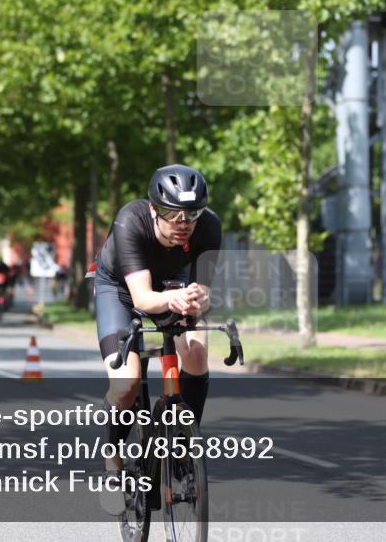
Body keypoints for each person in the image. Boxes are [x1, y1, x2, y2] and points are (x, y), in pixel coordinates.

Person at [92, 164, 221, 515]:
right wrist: (173, 301)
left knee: (196, 350)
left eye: (191, 214)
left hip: (173, 283)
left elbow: (203, 292)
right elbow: (143, 299)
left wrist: (200, 301)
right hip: (122, 289)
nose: (183, 223)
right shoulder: (130, 221)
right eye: (172, 214)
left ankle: (183, 448)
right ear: (153, 209)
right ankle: (113, 461)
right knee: (127, 382)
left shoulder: (208, 226)